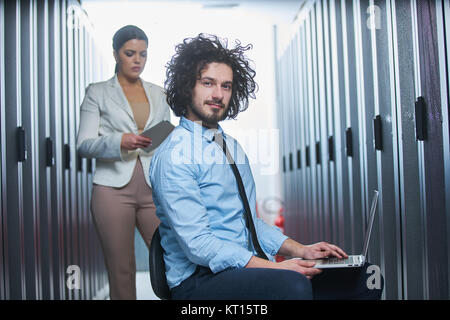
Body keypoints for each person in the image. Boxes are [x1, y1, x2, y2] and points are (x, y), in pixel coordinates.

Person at [149, 34, 383, 300]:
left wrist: (301, 250)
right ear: (187, 86)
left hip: (246, 268)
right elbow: (199, 244)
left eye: (226, 86)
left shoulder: (229, 145)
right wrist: (276, 268)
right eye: (208, 83)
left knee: (366, 277)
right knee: (292, 286)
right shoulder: (174, 156)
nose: (218, 94)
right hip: (199, 282)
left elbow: (249, 223)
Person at [77, 25, 170, 300]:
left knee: (170, 260)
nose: (137, 60)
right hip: (111, 190)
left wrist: (164, 136)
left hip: (154, 188)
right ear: (116, 53)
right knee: (122, 269)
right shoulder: (97, 92)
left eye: (143, 53)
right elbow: (84, 145)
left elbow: (165, 133)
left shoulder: (159, 93)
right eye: (130, 53)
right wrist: (120, 141)